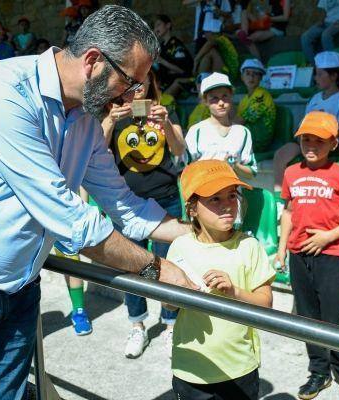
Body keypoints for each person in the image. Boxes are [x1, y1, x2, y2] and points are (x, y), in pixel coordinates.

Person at [0, 6, 199, 399]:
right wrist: (155, 267)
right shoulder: (3, 93)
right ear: (93, 61)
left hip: (20, 292)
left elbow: (125, 206)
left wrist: (199, 234)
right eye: (130, 83)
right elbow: (73, 221)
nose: (134, 96)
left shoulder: (83, 119)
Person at [166, 159, 275, 400]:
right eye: (215, 198)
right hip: (191, 366)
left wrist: (234, 291)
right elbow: (168, 305)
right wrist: (177, 293)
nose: (227, 205)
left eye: (231, 196)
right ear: (192, 208)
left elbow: (266, 304)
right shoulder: (179, 247)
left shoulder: (249, 246)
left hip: (239, 367)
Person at [275, 111, 339, 400]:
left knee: (337, 317)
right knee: (308, 316)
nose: (311, 146)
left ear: (334, 144)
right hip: (298, 255)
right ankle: (318, 372)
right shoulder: (291, 173)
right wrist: (281, 249)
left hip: (331, 255)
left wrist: (328, 236)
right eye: (306, 140)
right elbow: (288, 213)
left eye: (319, 141)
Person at [102, 70, 185, 358]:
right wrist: (111, 120)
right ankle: (137, 325)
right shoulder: (114, 113)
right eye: (132, 83)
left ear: (151, 83)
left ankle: (171, 322)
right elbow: (97, 149)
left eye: (143, 82)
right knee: (132, 267)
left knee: (166, 264)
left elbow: (178, 151)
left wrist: (167, 123)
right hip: (126, 203)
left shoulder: (164, 110)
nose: (137, 88)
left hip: (165, 199)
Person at [273, 51, 339, 197]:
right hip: (307, 140)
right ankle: (279, 198)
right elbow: (304, 123)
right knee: (281, 154)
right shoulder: (314, 98)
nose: (316, 78)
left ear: (334, 76)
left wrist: (321, 134)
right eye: (316, 74)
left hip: (327, 143)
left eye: (320, 74)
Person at [186, 72, 258, 179]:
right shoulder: (196, 130)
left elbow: (251, 173)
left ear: (231, 97)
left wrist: (235, 165)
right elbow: (185, 167)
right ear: (205, 101)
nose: (221, 103)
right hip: (204, 191)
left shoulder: (242, 132)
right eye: (214, 98)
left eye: (225, 96)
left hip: (232, 192)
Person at [236, 58, 276, 152]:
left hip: (258, 142)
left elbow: (240, 121)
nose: (251, 77)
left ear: (261, 77)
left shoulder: (261, 94)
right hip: (247, 139)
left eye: (256, 74)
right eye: (248, 73)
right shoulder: (244, 99)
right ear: (242, 77)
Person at [153, 14, 194, 96]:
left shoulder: (176, 45)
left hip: (174, 84)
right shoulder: (161, 46)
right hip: (162, 85)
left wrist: (161, 61)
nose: (156, 29)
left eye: (158, 25)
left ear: (168, 25)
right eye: (155, 27)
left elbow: (183, 71)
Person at [301, 0, 339, 65]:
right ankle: (316, 67)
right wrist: (321, 20)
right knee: (305, 37)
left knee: (326, 35)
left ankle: (333, 67)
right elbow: (322, 10)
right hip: (327, 22)